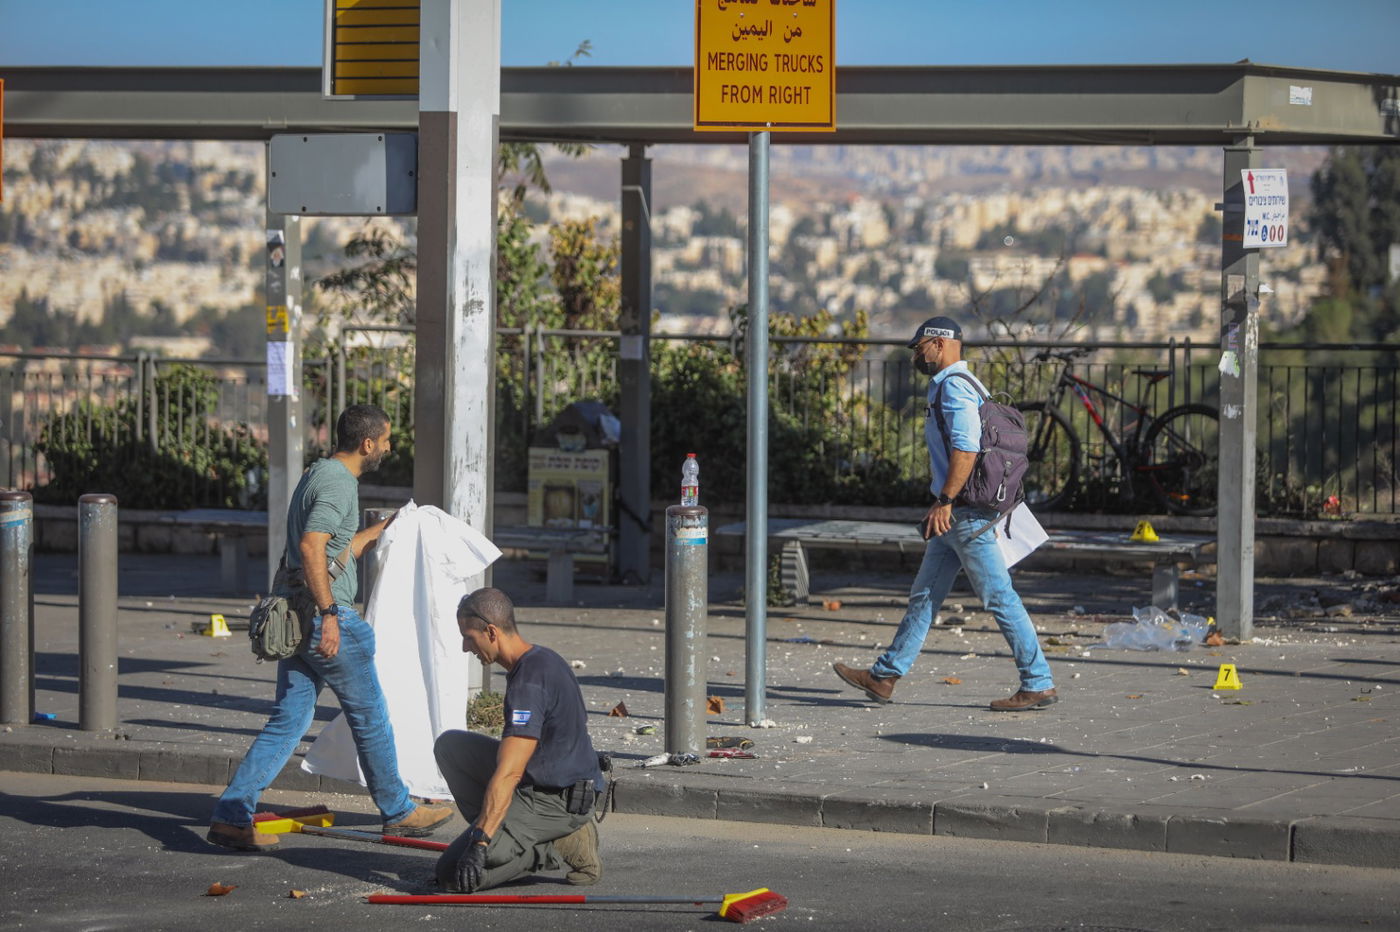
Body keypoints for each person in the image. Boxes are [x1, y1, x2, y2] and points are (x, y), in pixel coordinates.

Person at [207, 404, 452, 851]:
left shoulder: (318, 474)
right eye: (386, 440)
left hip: (298, 619)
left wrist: (379, 531)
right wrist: (331, 615)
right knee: (371, 716)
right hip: (325, 619)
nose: (389, 447)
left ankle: (231, 813)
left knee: (288, 721)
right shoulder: (340, 484)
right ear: (367, 444)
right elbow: (311, 546)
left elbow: (336, 548)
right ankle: (399, 811)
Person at [832, 316, 1057, 712]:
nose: (917, 354)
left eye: (920, 347)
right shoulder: (967, 384)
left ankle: (1037, 681)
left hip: (963, 513)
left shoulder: (953, 387)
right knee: (924, 596)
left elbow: (967, 449)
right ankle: (884, 676)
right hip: (957, 515)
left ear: (939, 343)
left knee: (999, 596)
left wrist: (946, 500)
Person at [433, 587, 604, 892]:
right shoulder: (539, 659)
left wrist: (479, 844)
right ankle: (504, 830)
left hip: (555, 800)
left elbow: (510, 772)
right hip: (545, 780)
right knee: (451, 747)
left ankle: (551, 844)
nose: (464, 647)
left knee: (451, 874)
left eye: (469, 637)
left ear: (491, 631)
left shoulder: (528, 682)